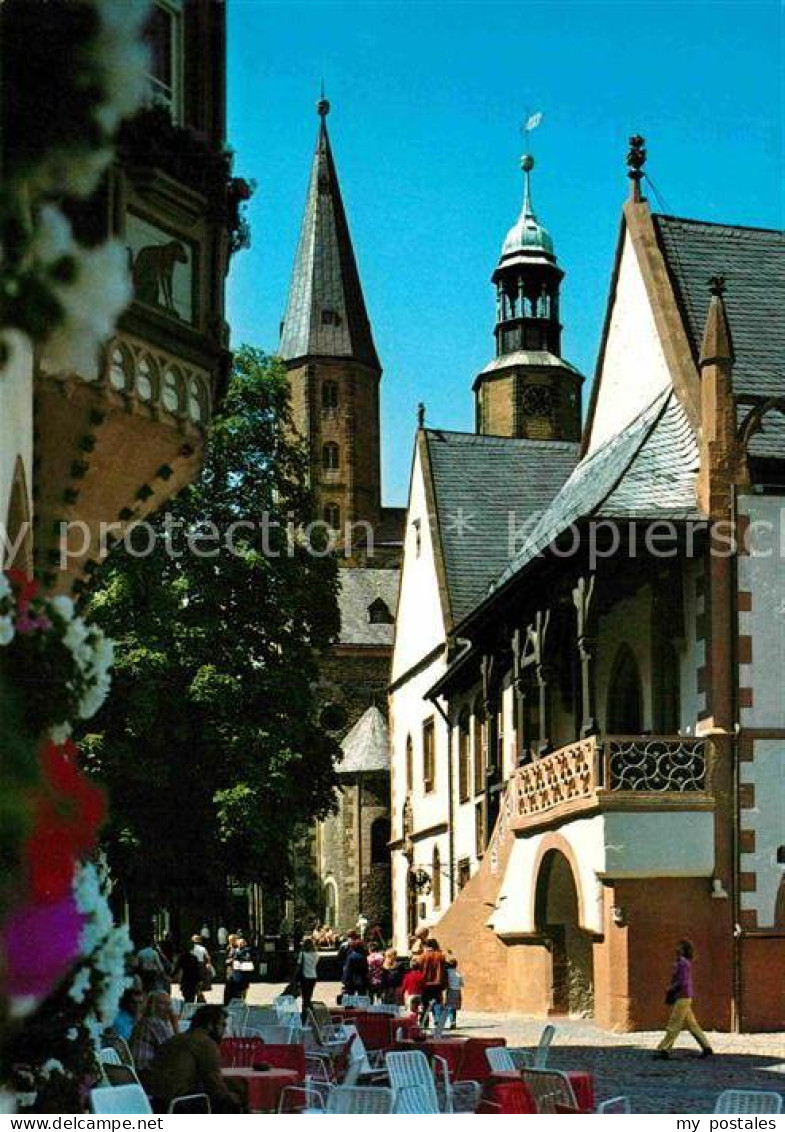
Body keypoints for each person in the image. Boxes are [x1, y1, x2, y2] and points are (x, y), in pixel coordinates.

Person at [142, 1005, 245, 1113]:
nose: (225, 1031)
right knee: (233, 1100)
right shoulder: (205, 1043)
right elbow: (215, 1085)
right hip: (181, 1103)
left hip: (155, 1102)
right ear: (210, 1025)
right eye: (222, 1025)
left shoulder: (176, 1039)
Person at [654, 939, 714, 1059]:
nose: (677, 949)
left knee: (674, 1024)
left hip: (682, 996)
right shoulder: (684, 962)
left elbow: (683, 981)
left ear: (683, 950)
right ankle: (706, 1047)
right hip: (686, 996)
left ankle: (664, 1049)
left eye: (679, 947)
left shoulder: (682, 963)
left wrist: (671, 988)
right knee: (692, 1025)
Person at [131, 991, 178, 1070]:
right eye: (163, 1003)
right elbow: (174, 1049)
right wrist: (175, 1024)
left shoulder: (145, 1020)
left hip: (140, 1068)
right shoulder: (154, 1023)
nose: (168, 1008)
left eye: (169, 1004)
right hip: (147, 1070)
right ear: (152, 1005)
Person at [420, 938, 447, 1026]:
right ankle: (437, 1019)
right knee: (437, 1002)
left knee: (425, 1003)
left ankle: (424, 1022)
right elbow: (444, 970)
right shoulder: (441, 956)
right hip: (437, 983)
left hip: (425, 983)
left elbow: (419, 969)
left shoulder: (423, 956)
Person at [224, 936, 254, 1004]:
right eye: (240, 943)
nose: (241, 944)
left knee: (245, 986)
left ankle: (243, 1000)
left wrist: (241, 959)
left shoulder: (247, 950)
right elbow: (228, 960)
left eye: (242, 943)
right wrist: (231, 960)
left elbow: (248, 958)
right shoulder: (234, 950)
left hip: (245, 970)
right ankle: (238, 999)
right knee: (237, 985)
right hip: (237, 971)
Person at [296, 937, 319, 1022]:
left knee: (305, 997)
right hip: (313, 976)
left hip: (305, 977)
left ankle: (305, 1014)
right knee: (309, 996)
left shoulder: (302, 954)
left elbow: (298, 967)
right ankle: (309, 1013)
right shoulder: (316, 954)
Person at [445, 952, 463, 1030]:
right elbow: (462, 984)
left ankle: (451, 1022)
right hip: (458, 991)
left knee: (450, 1007)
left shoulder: (448, 972)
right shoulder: (459, 974)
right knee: (454, 1008)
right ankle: (453, 1022)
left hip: (450, 990)